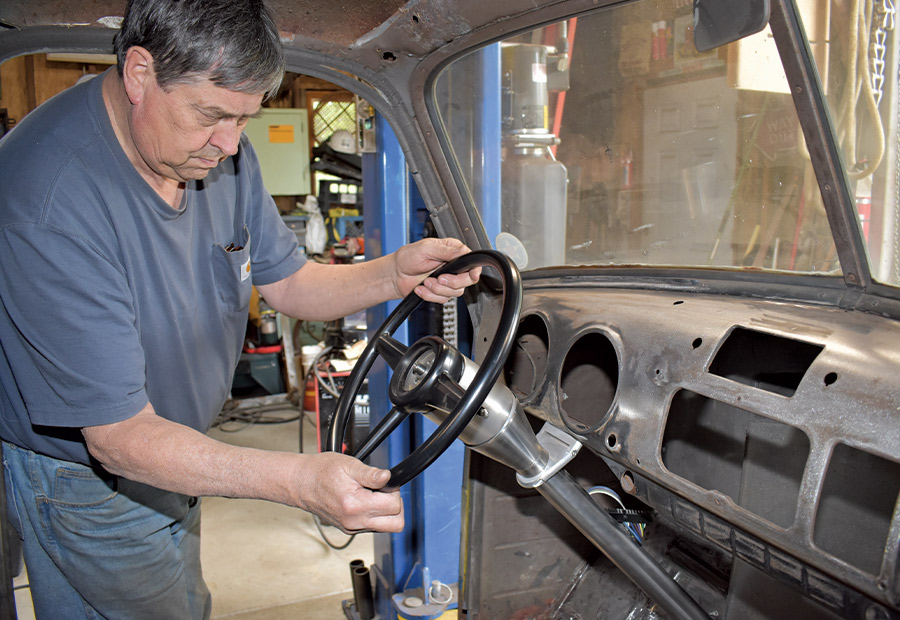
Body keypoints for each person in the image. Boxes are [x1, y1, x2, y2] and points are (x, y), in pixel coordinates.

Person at [0, 0, 479, 618]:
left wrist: (391, 274)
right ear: (140, 74)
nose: (229, 145)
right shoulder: (45, 202)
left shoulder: (207, 149)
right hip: (90, 480)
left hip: (176, 453)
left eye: (245, 120)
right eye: (212, 115)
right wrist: (298, 482)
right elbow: (118, 439)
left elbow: (290, 283)